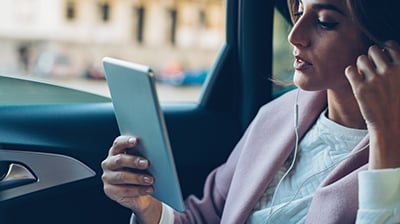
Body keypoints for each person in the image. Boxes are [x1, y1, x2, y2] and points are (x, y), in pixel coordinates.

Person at [101, 0, 400, 223]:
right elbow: (205, 217)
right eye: (298, 10)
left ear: (385, 46)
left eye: (324, 21)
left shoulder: (390, 154)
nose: (295, 35)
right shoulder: (278, 116)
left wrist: (386, 137)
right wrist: (145, 205)